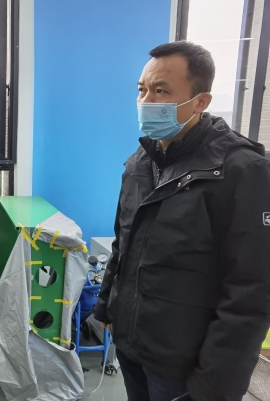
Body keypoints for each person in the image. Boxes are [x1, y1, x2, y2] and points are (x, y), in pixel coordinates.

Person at [93, 41, 270, 401]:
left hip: (187, 369)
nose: (146, 101)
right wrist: (107, 308)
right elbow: (123, 244)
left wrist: (215, 383)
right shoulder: (140, 162)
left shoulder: (241, 171)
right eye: (142, 90)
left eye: (161, 91)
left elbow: (252, 291)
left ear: (201, 102)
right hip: (133, 349)